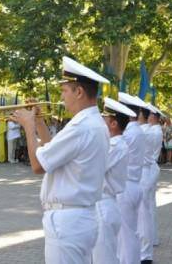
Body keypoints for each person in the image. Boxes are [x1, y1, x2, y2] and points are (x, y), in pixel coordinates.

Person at [11, 56, 110, 264]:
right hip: (80, 219)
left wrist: (28, 127)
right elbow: (52, 151)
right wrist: (38, 122)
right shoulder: (93, 122)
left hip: (68, 222)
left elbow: (38, 166)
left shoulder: (80, 127)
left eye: (64, 90)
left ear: (79, 92)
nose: (62, 97)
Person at [92, 97, 134, 264]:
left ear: (113, 124)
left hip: (104, 205)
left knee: (104, 259)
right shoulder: (112, 143)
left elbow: (92, 166)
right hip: (102, 204)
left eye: (104, 118)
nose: (100, 120)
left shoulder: (115, 145)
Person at [117, 92, 146, 264]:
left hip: (126, 185)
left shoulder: (129, 133)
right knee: (130, 232)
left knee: (126, 235)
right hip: (134, 183)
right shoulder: (139, 131)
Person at [137, 100, 157, 264]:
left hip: (143, 172)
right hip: (146, 170)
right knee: (146, 212)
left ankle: (145, 253)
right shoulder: (147, 130)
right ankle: (145, 251)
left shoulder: (143, 132)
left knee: (143, 214)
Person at [148, 105, 165, 247]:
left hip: (148, 168)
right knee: (149, 205)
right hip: (151, 167)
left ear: (153, 117)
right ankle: (152, 237)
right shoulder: (154, 130)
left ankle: (150, 238)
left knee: (146, 207)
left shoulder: (152, 131)